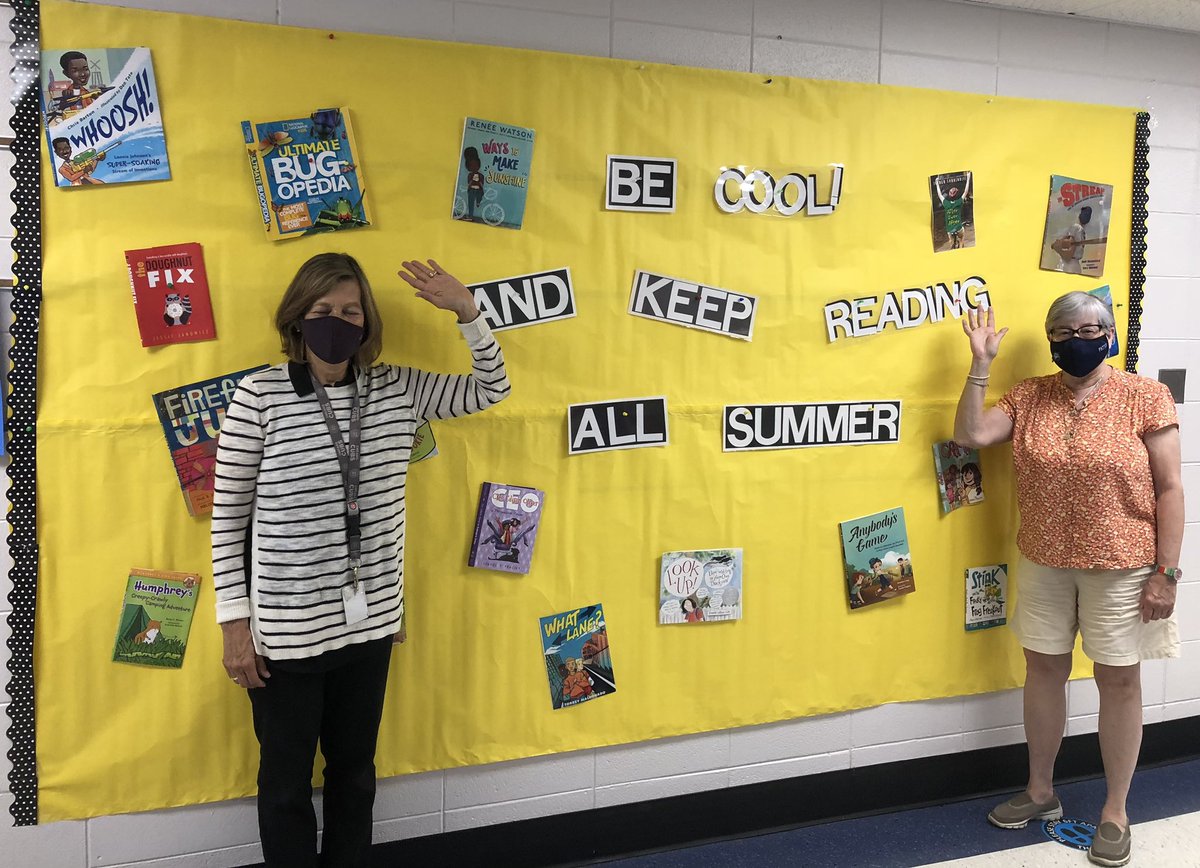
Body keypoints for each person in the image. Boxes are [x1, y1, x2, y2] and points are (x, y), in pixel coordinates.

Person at [211, 252, 510, 868]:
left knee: (356, 778)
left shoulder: (400, 388)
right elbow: (228, 519)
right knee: (286, 787)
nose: (337, 322)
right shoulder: (258, 395)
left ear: (367, 321)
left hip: (369, 628)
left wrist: (467, 311)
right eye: (323, 311)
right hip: (286, 636)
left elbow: (492, 389)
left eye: (350, 311)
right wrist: (234, 627)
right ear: (299, 317)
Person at [953, 292, 1181, 868]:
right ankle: (1040, 792)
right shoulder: (1029, 396)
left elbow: (1171, 489)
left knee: (1119, 682)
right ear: (1050, 339)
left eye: (1090, 327)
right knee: (1043, 670)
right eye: (1063, 330)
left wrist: (1168, 574)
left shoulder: (1144, 396)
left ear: (1109, 333)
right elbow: (972, 436)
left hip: (1123, 564)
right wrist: (980, 365)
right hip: (1045, 560)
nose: (1077, 338)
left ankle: (1116, 811)